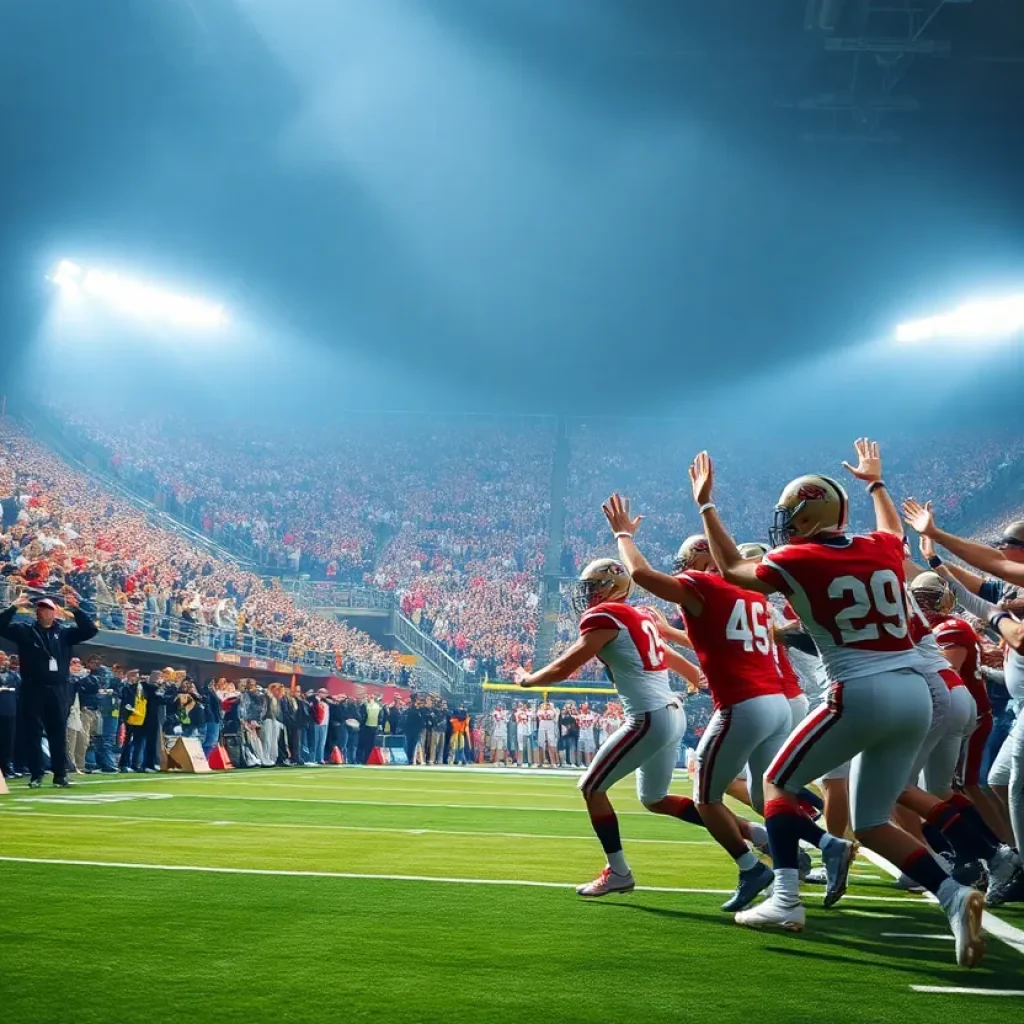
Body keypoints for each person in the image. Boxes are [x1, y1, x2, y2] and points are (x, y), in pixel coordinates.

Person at [690, 440, 985, 968]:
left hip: (859, 689)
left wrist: (707, 505)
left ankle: (784, 897)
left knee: (777, 783)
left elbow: (733, 568)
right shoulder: (879, 547)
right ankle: (953, 895)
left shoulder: (797, 558)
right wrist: (876, 482)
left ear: (805, 515)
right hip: (915, 694)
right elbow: (894, 531)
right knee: (873, 820)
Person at [605, 505, 839, 913]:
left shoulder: (706, 585)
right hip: (776, 702)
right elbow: (716, 639)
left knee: (705, 797)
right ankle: (822, 846)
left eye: (689, 562)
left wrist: (623, 535)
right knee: (768, 795)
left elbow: (641, 575)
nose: (683, 569)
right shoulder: (750, 592)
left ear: (706, 562)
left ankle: (751, 868)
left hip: (744, 703)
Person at [513, 557, 699, 898]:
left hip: (648, 716)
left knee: (592, 788)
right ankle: (756, 836)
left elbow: (565, 666)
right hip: (672, 711)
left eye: (594, 586)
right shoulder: (640, 615)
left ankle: (618, 871)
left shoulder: (606, 616)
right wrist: (694, 676)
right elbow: (668, 655)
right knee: (655, 799)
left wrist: (528, 680)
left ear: (615, 586)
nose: (588, 593)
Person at [0, 588, 98, 788]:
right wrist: (13, 607)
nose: (43, 612)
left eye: (48, 609)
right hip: (32, 688)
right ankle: (36, 774)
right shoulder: (25, 630)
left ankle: (60, 775)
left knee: (57, 732)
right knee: (33, 732)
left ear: (55, 612)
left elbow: (90, 630)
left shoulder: (64, 633)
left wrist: (77, 611)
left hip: (58, 689)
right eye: (40, 609)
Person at [0, 652, 20, 777]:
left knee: (9, 740)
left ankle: (7, 766)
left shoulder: (13, 675)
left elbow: (19, 685)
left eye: (5, 659)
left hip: (10, 711)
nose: (4, 662)